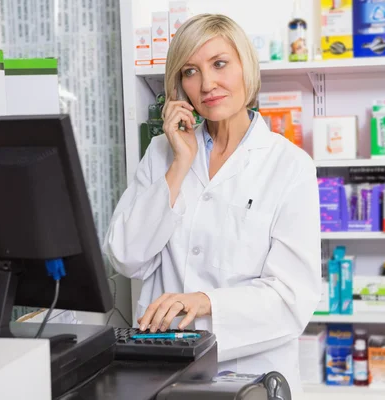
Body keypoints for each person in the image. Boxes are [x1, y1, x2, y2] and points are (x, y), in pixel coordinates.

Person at [103, 13, 321, 393]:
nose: (207, 84)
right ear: (179, 85)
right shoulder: (161, 152)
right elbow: (125, 256)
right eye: (190, 71)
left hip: (250, 376)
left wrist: (206, 302)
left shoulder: (290, 166)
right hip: (164, 371)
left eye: (220, 64)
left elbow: (291, 298)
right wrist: (180, 163)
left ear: (245, 68)